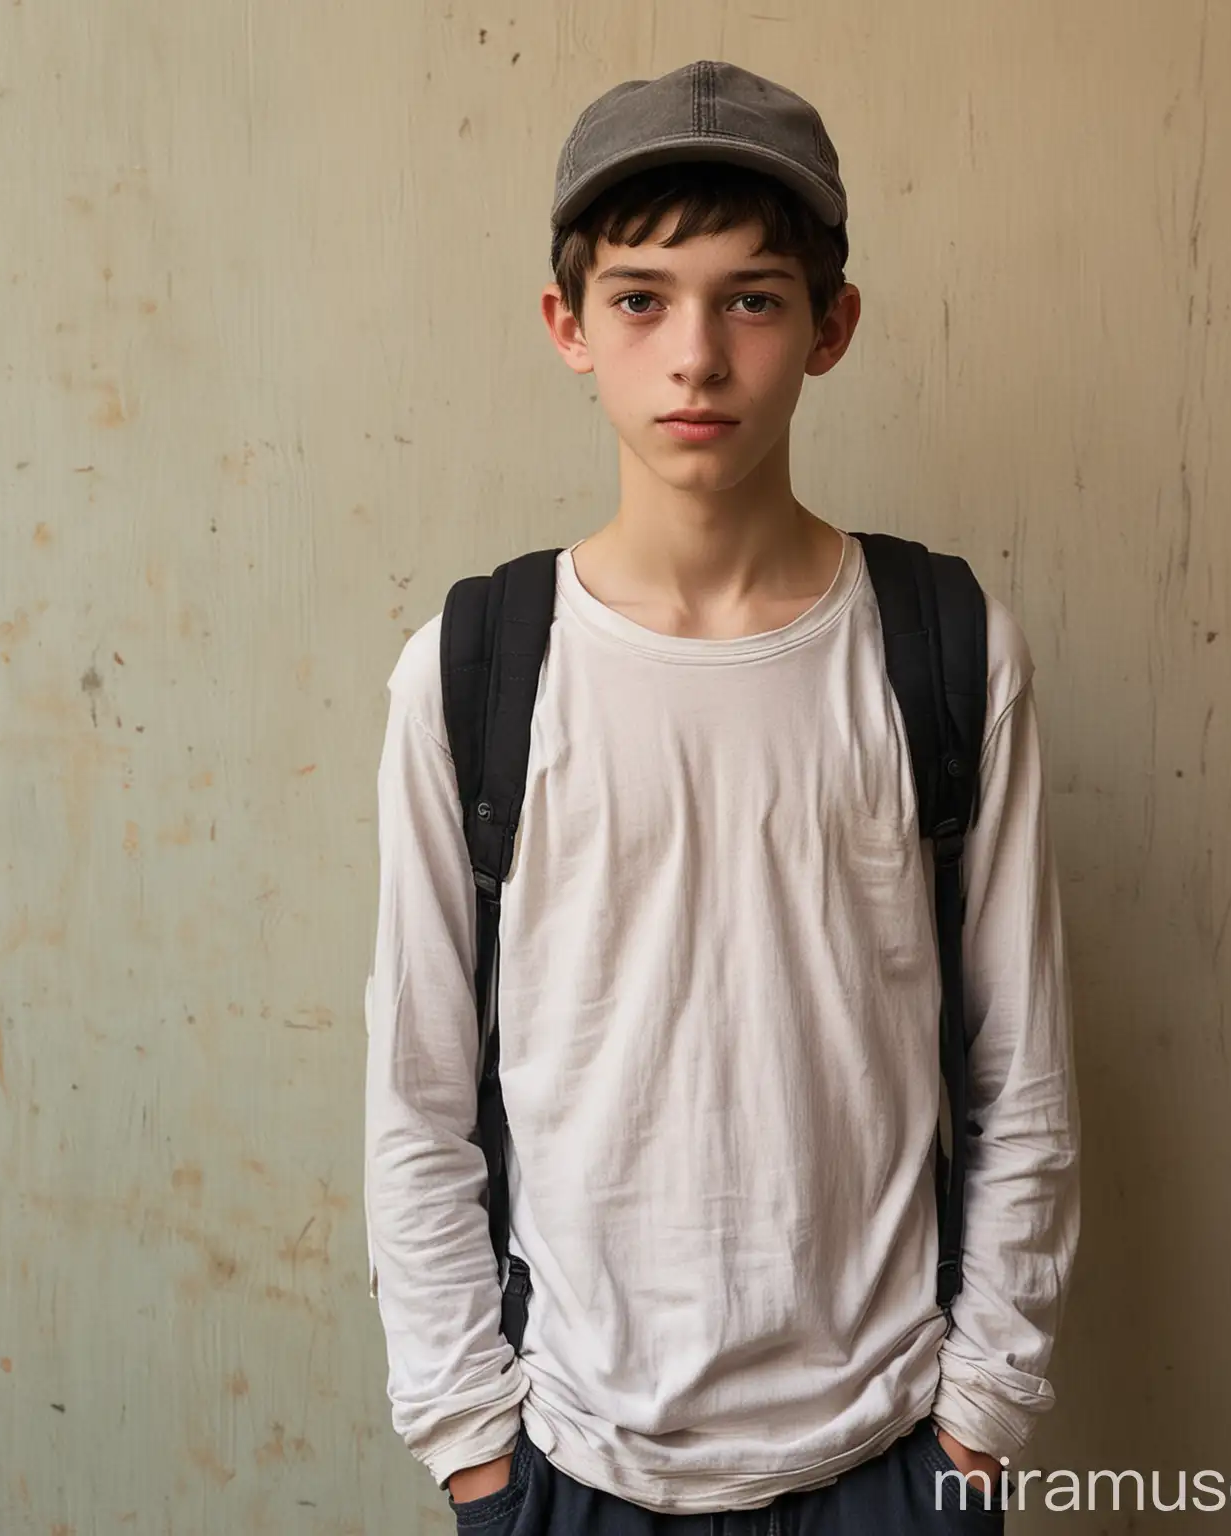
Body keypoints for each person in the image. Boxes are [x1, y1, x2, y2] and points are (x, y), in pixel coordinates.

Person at [364, 59, 1080, 1533]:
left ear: (831, 327)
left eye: (751, 298)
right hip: (567, 1462)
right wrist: (472, 1451)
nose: (695, 355)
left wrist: (979, 1425)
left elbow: (1023, 1074)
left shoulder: (941, 648)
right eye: (641, 299)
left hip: (891, 1455)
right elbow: (421, 1094)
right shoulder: (477, 668)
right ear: (568, 325)